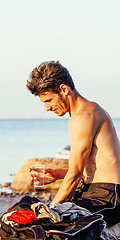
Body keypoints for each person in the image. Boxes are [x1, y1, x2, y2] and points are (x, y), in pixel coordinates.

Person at [26, 60, 120, 227]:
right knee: (26, 209)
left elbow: (75, 175)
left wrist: (51, 209)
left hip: (108, 197)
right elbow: (86, 168)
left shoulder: (86, 115)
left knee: (48, 224)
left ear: (64, 89)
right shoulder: (78, 115)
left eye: (48, 100)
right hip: (92, 193)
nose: (47, 108)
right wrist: (56, 174)